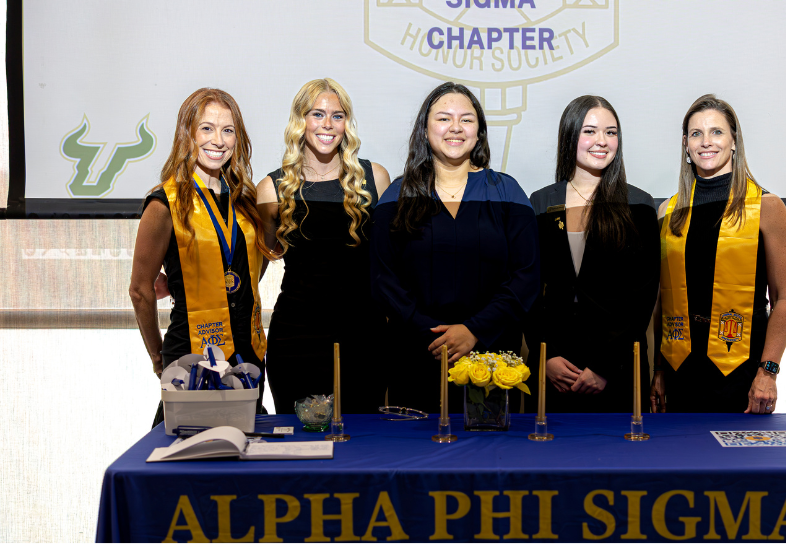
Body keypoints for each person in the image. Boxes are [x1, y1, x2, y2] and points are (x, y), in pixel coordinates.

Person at [370, 82, 540, 413]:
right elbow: (382, 279)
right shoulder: (396, 196)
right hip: (416, 355)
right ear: (425, 128)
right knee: (416, 446)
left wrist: (475, 330)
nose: (456, 128)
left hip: (492, 359)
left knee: (491, 443)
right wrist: (431, 334)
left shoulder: (507, 192)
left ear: (479, 131)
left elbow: (526, 276)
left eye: (466, 119)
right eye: (444, 118)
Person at [130, 88, 274, 426]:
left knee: (246, 449)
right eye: (207, 128)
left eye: (228, 130)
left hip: (248, 353)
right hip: (191, 355)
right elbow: (139, 290)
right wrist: (157, 356)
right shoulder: (164, 203)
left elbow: (253, 266)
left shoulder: (246, 200)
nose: (218, 140)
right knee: (188, 450)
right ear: (188, 134)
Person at [652, 94, 786, 414]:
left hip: (742, 370)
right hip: (681, 369)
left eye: (716, 132)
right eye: (696, 133)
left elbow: (784, 299)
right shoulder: (668, 212)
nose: (706, 141)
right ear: (686, 145)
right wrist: (659, 370)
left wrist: (768, 372)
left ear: (734, 141)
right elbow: (664, 299)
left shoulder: (767, 208)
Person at [256, 78, 390, 414]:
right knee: (302, 439)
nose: (327, 124)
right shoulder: (272, 188)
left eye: (337, 115)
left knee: (362, 439)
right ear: (300, 120)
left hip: (364, 337)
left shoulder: (375, 178)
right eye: (317, 114)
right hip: (296, 338)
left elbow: (390, 263)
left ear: (347, 124)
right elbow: (255, 268)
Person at [528, 96, 659, 412]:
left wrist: (604, 366)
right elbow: (527, 288)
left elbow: (642, 297)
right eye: (590, 131)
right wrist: (546, 355)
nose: (602, 141)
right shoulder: (541, 202)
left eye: (611, 132)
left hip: (617, 367)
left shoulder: (639, 205)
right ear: (570, 136)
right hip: (554, 367)